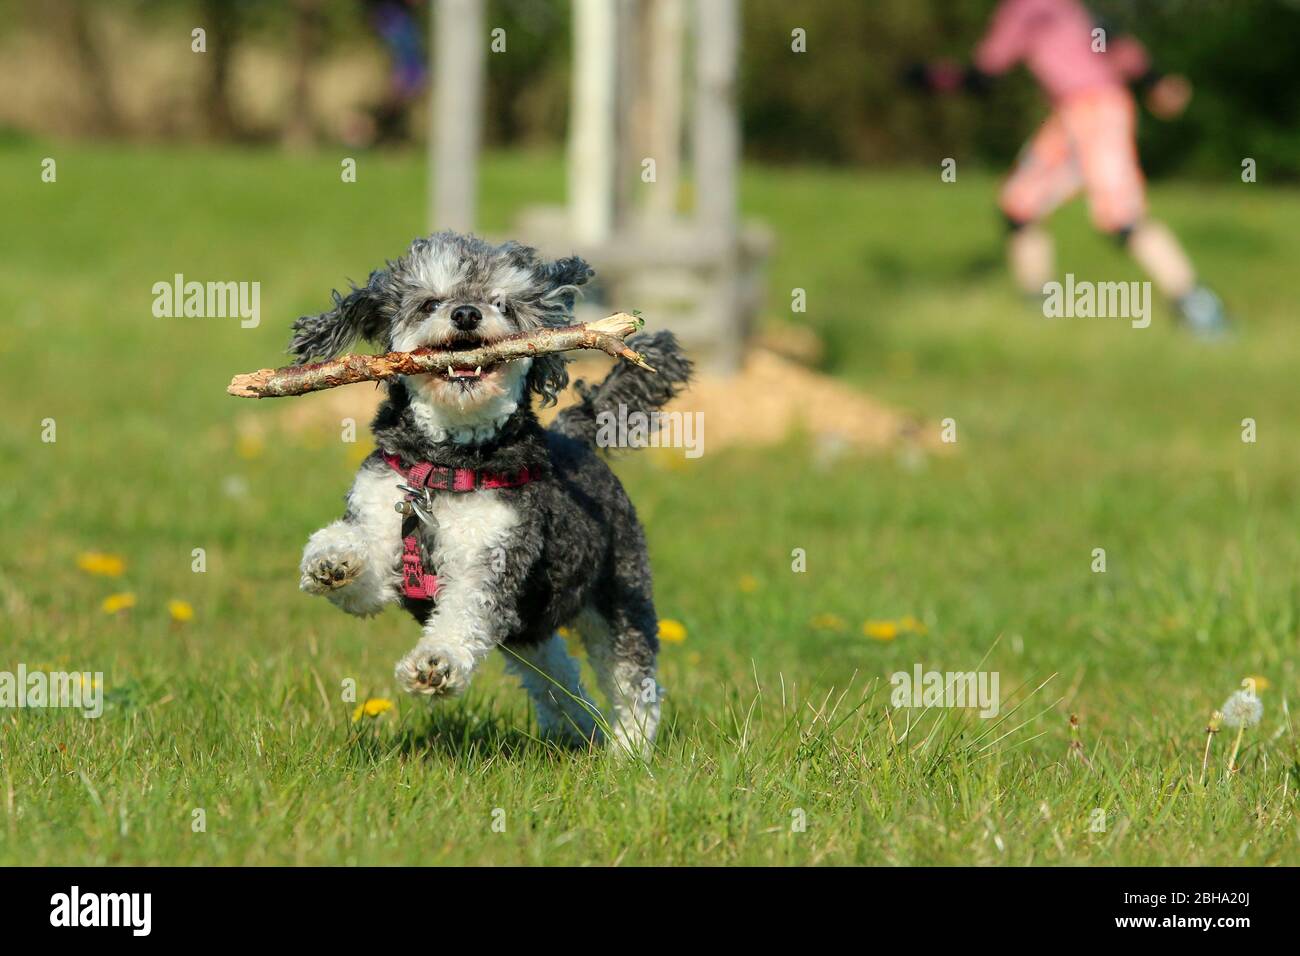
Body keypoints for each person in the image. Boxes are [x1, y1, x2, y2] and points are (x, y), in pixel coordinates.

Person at [909, 0, 1230, 336]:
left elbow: (983, 79)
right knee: (1019, 206)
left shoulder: (1022, 9)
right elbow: (1115, 41)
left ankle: (1200, 309)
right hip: (1078, 113)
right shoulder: (1063, 6)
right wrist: (1154, 81)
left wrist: (928, 78)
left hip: (1095, 112)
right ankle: (1038, 314)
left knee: (1121, 217)